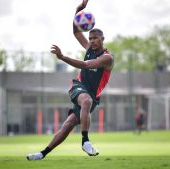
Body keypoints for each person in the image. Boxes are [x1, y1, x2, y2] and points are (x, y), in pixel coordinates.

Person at [27, 0, 114, 160]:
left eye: (95, 38)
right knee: (86, 100)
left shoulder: (107, 58)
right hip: (79, 87)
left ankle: (42, 154)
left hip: (93, 95)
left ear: (103, 38)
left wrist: (62, 57)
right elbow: (76, 31)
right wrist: (78, 10)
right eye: (90, 38)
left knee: (67, 125)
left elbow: (85, 64)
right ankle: (85, 141)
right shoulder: (89, 47)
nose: (92, 41)